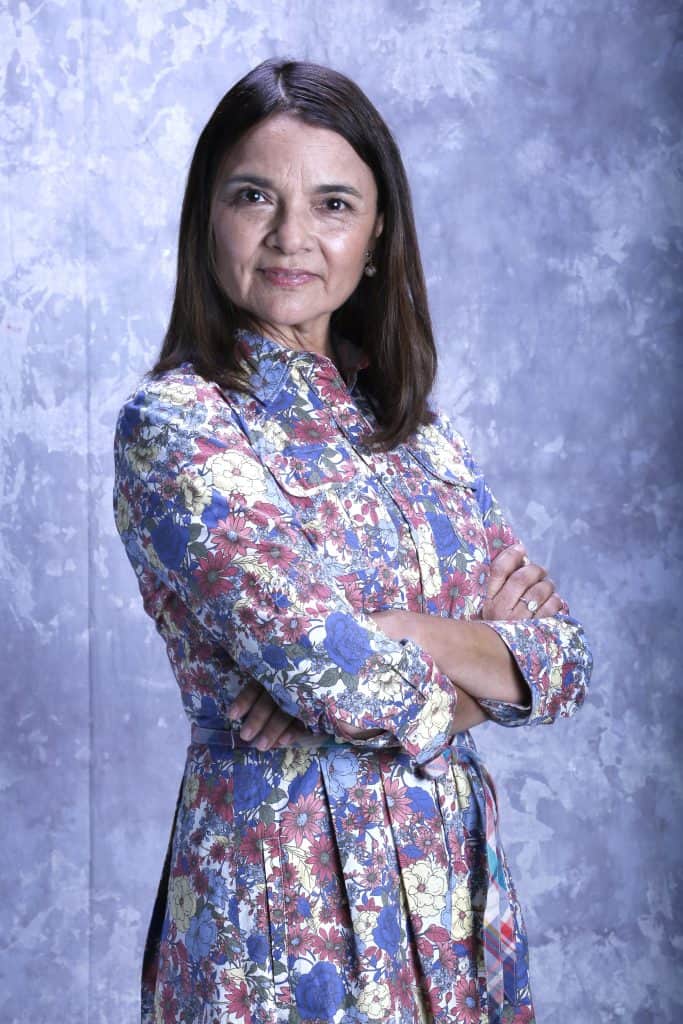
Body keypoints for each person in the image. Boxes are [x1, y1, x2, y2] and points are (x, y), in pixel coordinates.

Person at [113, 57, 593, 1024]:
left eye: (332, 204)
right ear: (208, 217)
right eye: (255, 196)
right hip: (281, 902)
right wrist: (477, 671)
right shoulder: (178, 428)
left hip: (449, 896)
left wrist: (396, 631)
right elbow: (338, 681)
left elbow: (562, 659)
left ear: (375, 239)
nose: (291, 236)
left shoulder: (418, 435)